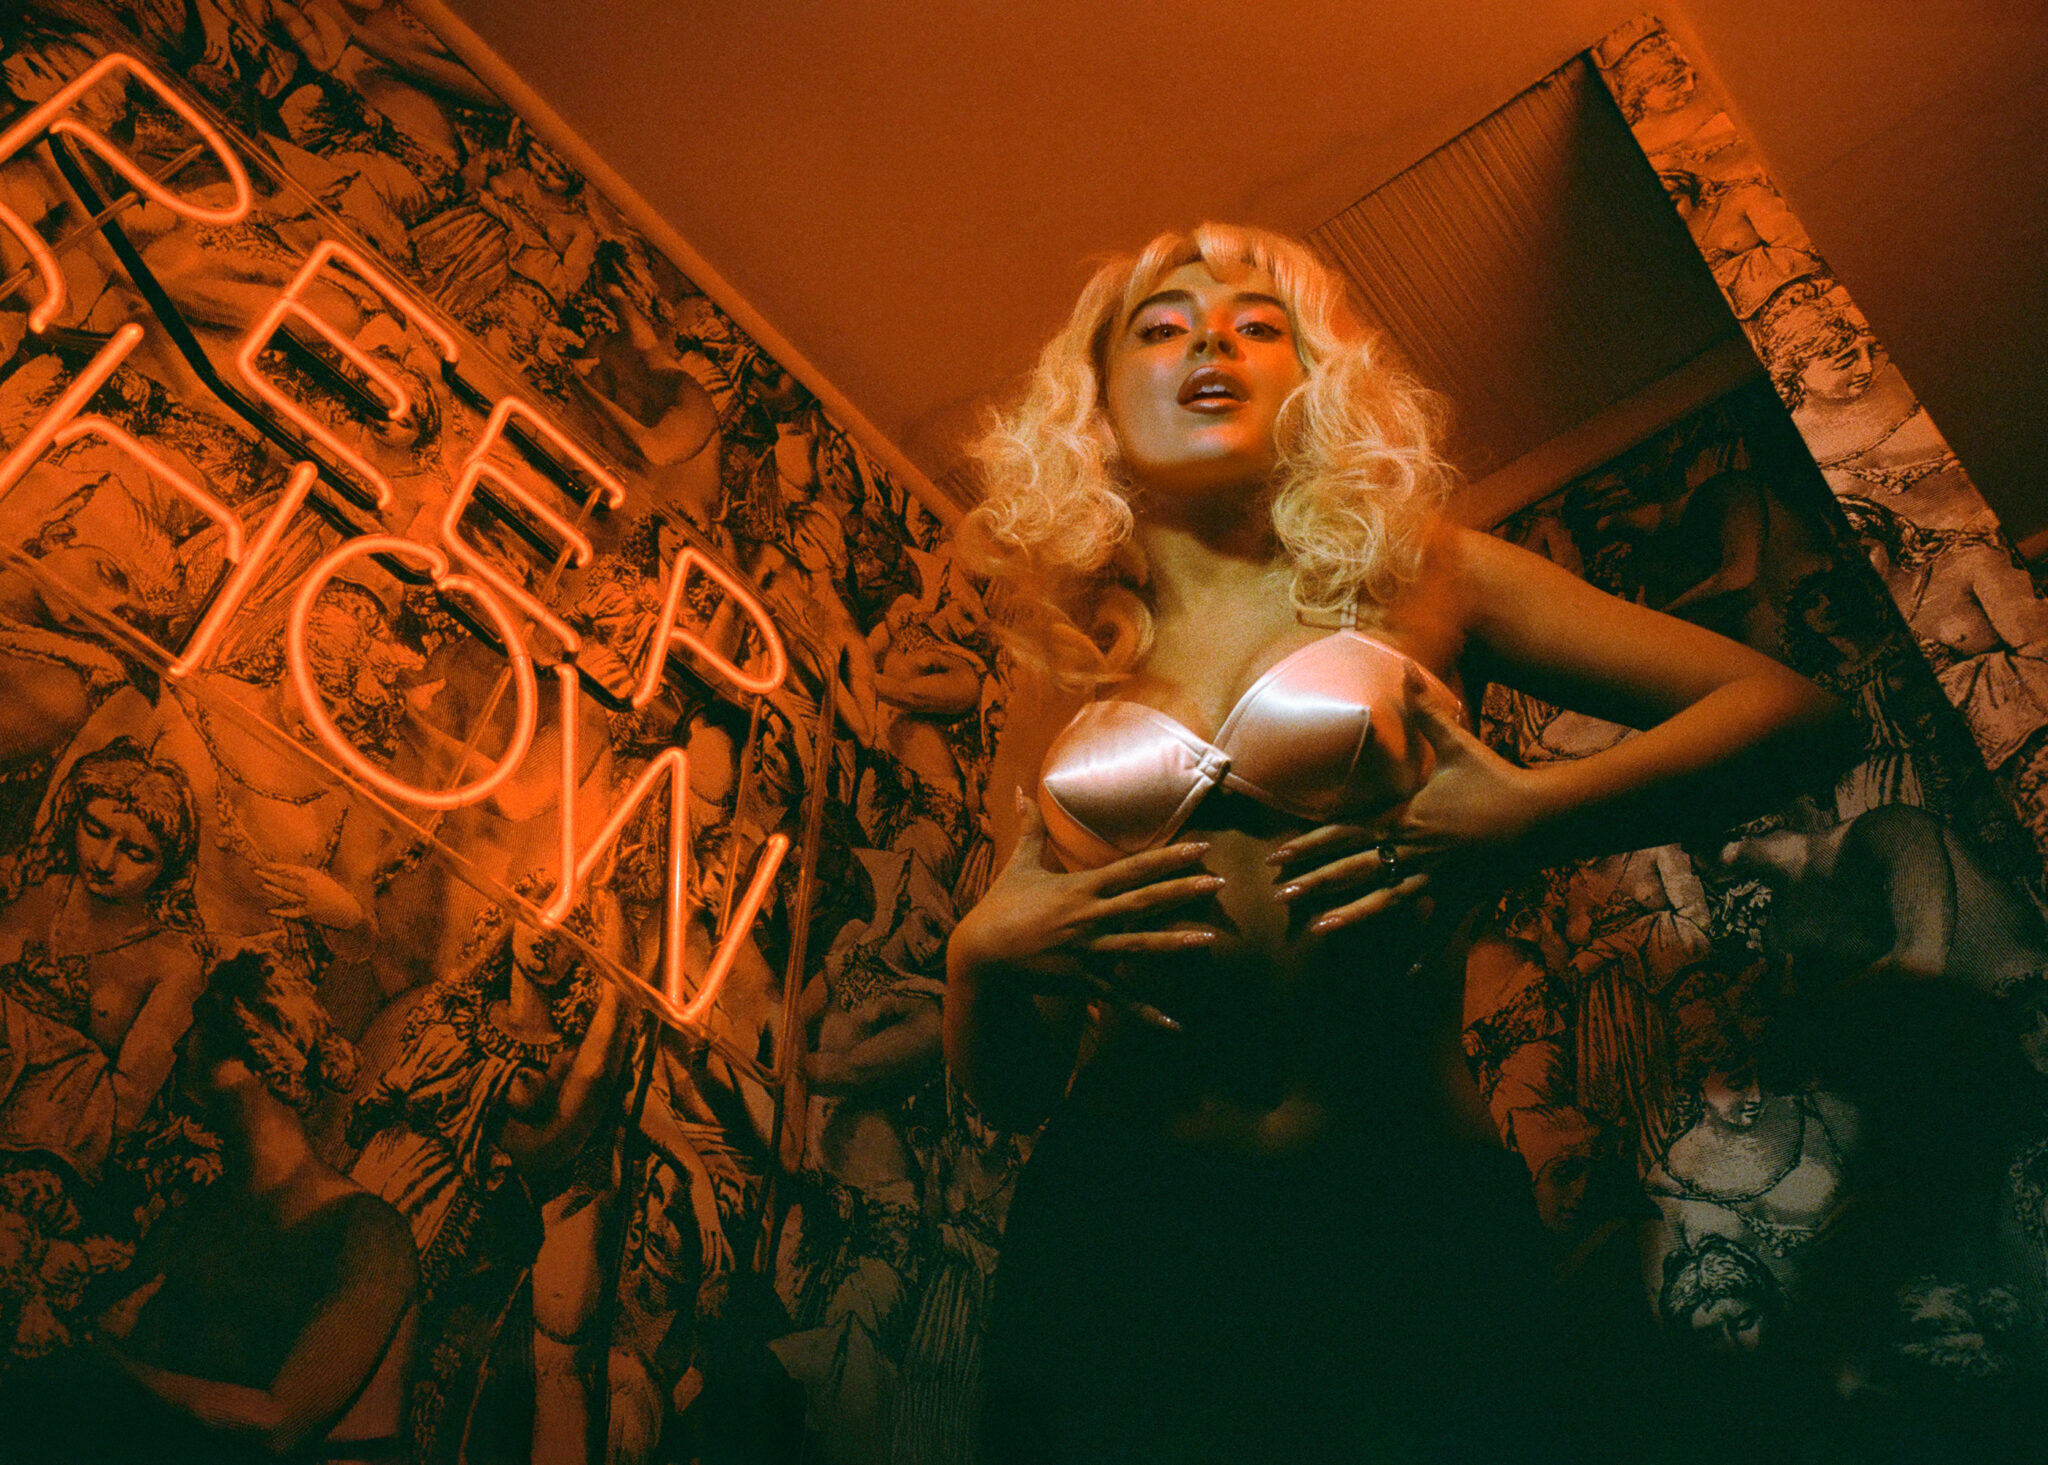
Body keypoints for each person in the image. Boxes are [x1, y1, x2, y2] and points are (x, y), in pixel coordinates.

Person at [944, 223, 1845, 1462]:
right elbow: (1011, 1091)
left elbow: (1794, 716)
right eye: (1161, 327)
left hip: (1397, 1200)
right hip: (1121, 1220)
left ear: (1311, 381)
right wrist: (975, 963)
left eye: (1256, 324)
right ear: (1094, 400)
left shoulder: (1426, 577)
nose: (1210, 342)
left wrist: (1531, 815)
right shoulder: (1061, 664)